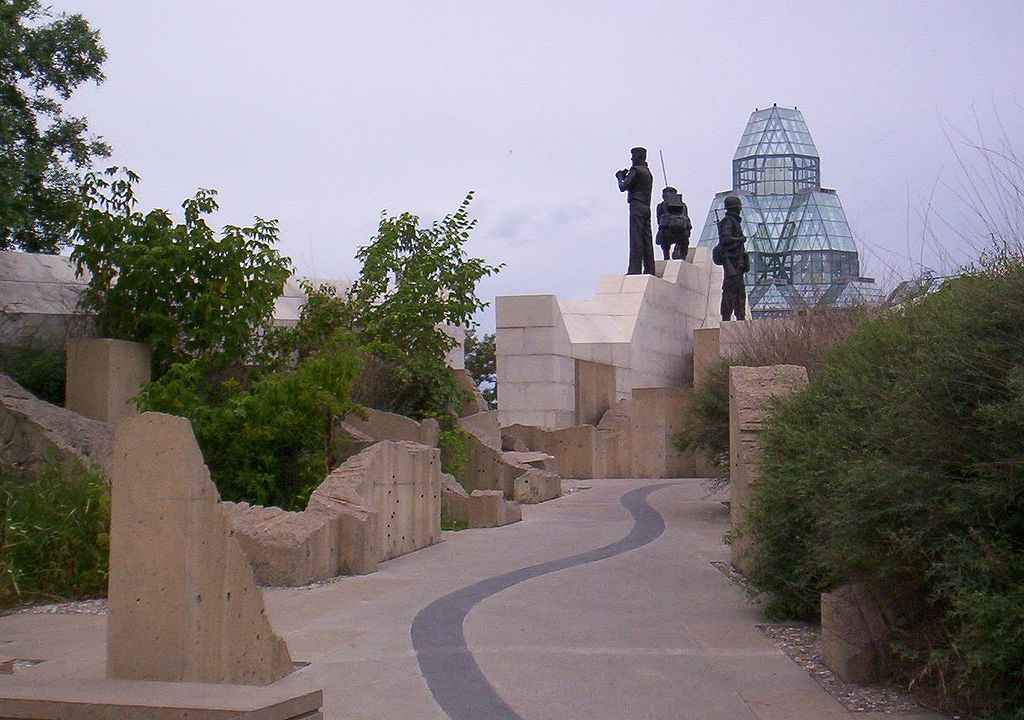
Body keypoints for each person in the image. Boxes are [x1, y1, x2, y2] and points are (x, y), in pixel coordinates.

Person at [615, 147, 655, 275]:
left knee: (636, 238)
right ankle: (650, 268)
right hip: (646, 206)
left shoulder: (636, 170)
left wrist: (619, 177)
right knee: (646, 239)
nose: (631, 159)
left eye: (633, 157)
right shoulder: (648, 172)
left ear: (636, 157)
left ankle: (634, 270)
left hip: (636, 205)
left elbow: (623, 187)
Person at [713, 195, 750, 321]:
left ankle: (740, 315)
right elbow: (725, 239)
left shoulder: (732, 221)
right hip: (732, 261)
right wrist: (740, 239)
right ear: (736, 207)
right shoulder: (729, 221)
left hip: (736, 262)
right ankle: (727, 316)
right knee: (730, 291)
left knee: (739, 291)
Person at [655, 186, 692, 260]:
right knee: (684, 240)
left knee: (664, 238)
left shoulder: (661, 206)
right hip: (680, 231)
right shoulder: (683, 205)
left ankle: (667, 256)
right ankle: (679, 256)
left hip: (670, 231)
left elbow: (659, 220)